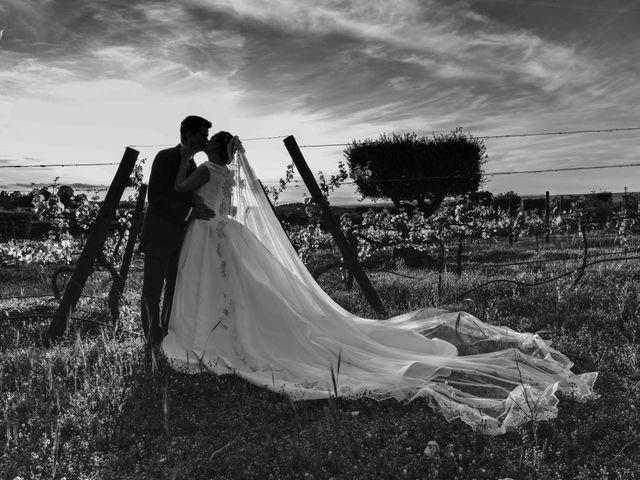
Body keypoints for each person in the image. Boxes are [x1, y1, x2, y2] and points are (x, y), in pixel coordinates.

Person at [161, 132, 598, 435]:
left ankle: (213, 336)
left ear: (212, 149)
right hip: (231, 231)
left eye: (206, 142)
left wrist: (185, 157)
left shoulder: (203, 170)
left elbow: (182, 188)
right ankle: (229, 332)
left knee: (215, 287)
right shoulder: (230, 174)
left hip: (207, 231)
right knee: (244, 289)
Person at [139, 115, 215, 345]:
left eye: (207, 136)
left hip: (182, 237)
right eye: (202, 135)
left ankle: (167, 334)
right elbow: (156, 196)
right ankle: (152, 338)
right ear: (188, 135)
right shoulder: (165, 157)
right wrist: (190, 212)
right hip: (159, 235)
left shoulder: (192, 164)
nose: (206, 140)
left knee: (174, 287)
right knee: (152, 291)